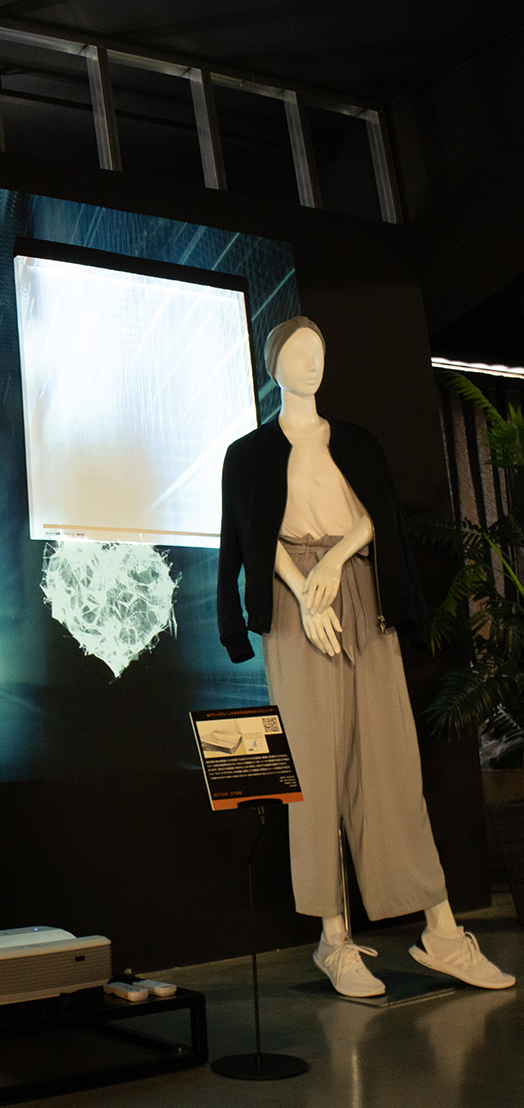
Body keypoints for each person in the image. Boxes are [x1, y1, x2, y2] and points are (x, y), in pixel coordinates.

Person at [217, 315, 514, 998]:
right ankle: (334, 940)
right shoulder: (249, 453)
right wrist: (303, 592)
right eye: (296, 352)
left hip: (362, 593)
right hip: (294, 607)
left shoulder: (356, 442)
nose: (311, 362)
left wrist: (335, 564)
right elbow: (249, 537)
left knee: (391, 761)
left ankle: (442, 933)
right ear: (272, 366)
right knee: (315, 768)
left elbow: (376, 518)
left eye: (318, 350)